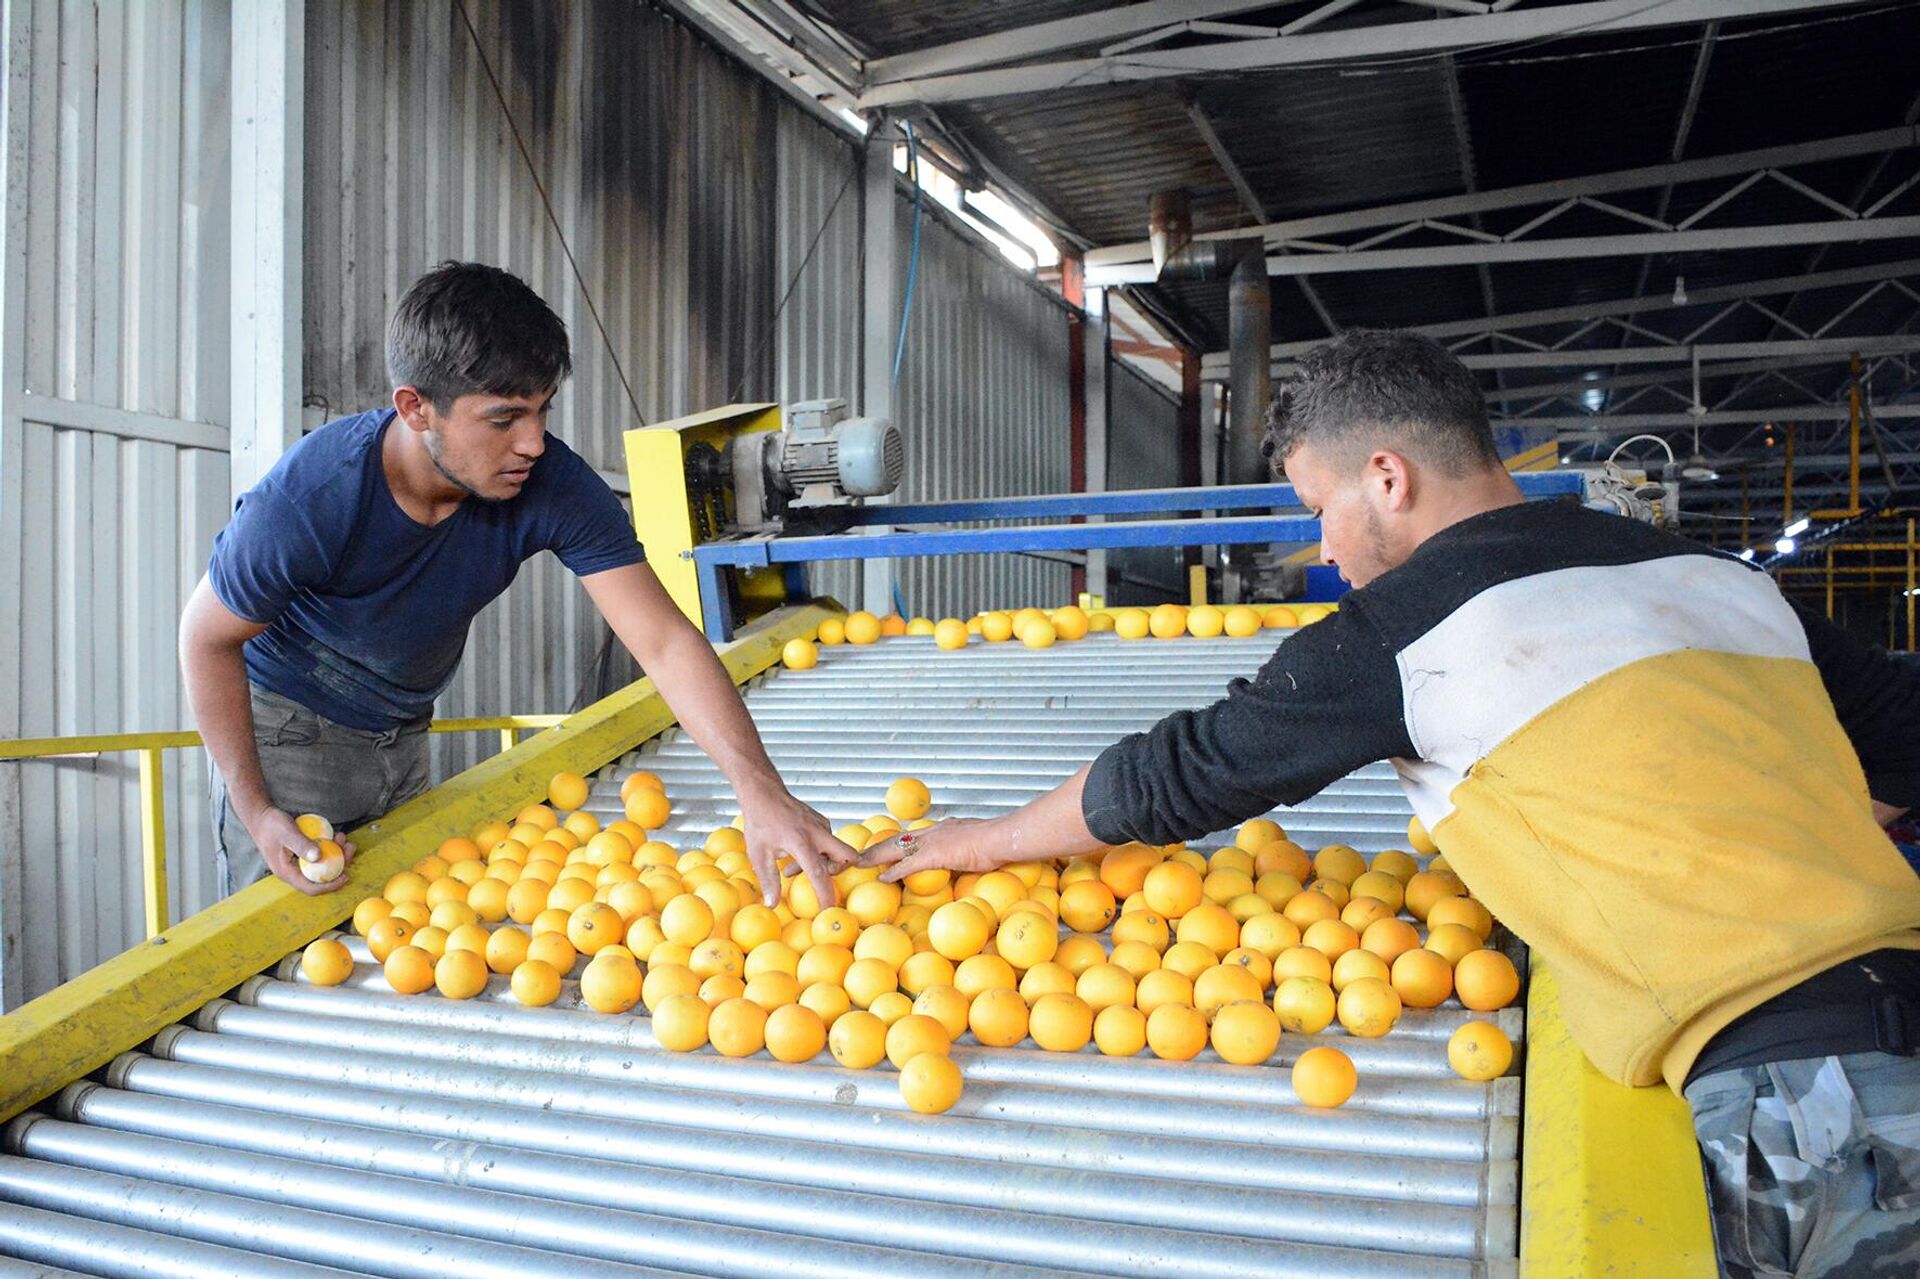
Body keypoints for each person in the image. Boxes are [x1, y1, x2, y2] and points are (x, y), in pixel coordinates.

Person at [863, 329, 1920, 1278]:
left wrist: (983, 841)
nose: (1322, 549)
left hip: (1808, 1086)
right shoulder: (1717, 575)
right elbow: (1904, 738)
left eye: (1318, 510)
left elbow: (1179, 772)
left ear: (1387, 476)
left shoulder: (1407, 630)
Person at [180, 261, 852, 907]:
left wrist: (759, 789)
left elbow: (665, 641)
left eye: (542, 410)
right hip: (287, 737)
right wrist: (256, 809)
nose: (532, 442)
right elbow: (205, 638)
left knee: (394, 927)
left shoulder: (550, 483)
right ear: (416, 408)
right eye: (503, 419)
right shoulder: (311, 499)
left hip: (403, 732)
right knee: (282, 945)